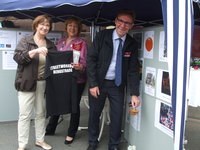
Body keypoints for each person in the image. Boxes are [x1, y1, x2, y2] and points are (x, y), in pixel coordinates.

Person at [86, 9, 140, 150]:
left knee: (117, 116)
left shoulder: (132, 44)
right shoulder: (102, 36)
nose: (123, 25)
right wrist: (93, 84)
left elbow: (133, 70)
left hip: (117, 85)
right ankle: (92, 141)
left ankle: (114, 145)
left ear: (131, 25)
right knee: (94, 113)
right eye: (121, 21)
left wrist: (135, 93)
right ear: (116, 21)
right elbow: (91, 60)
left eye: (127, 23)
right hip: (99, 83)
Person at [13, 15, 56, 150]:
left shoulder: (50, 45)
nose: (45, 27)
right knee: (25, 114)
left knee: (40, 113)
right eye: (42, 24)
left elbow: (55, 65)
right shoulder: (26, 41)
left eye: (47, 25)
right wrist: (35, 51)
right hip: (26, 83)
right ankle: (22, 144)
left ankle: (40, 140)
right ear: (36, 25)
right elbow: (18, 58)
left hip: (43, 84)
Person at [45, 17, 87, 145]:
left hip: (76, 79)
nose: (72, 28)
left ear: (78, 29)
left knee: (74, 105)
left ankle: (71, 133)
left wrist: (81, 67)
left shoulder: (82, 43)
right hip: (62, 79)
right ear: (66, 27)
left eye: (75, 26)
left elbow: (84, 62)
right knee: (59, 101)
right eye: (70, 25)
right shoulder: (61, 42)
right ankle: (51, 128)